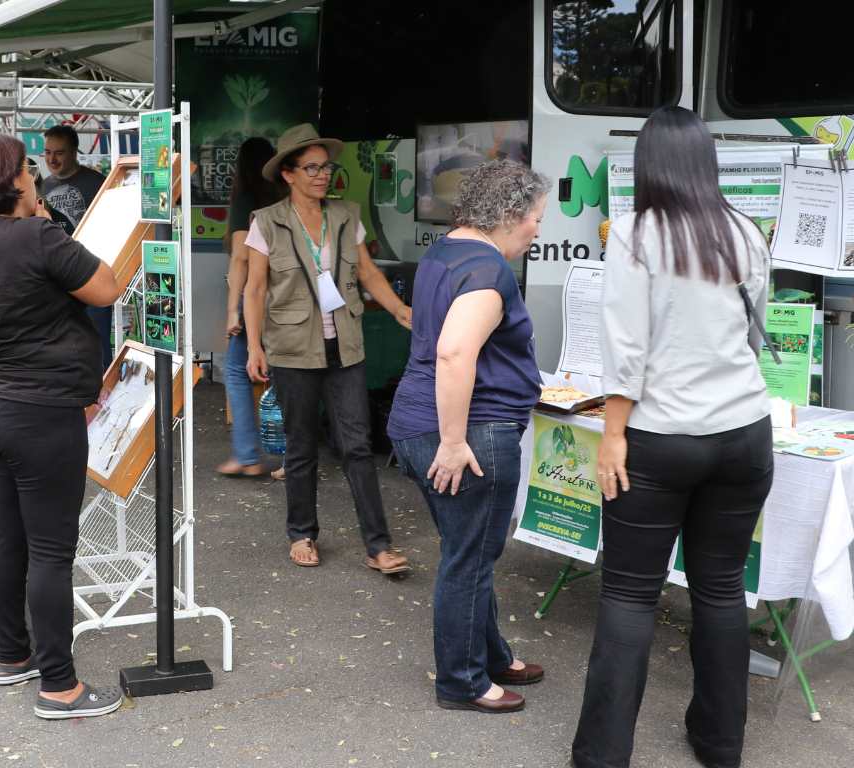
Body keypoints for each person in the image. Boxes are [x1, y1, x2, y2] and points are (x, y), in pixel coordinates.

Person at [572, 107, 773, 768]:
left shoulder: (635, 234)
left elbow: (626, 349)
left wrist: (611, 435)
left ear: (649, 164)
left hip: (661, 438)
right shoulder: (744, 231)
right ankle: (720, 746)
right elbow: (753, 327)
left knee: (630, 596)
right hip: (744, 433)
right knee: (720, 592)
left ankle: (601, 756)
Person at [0, 133, 125, 720]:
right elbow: (107, 287)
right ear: (12, 180)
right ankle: (59, 687)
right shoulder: (40, 235)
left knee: (9, 536)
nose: (35, 175)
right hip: (41, 413)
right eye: (28, 169)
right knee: (51, 550)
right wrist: (42, 222)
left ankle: (12, 655)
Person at [386, 158, 550, 714]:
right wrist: (454, 443)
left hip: (417, 422)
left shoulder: (443, 251)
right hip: (468, 433)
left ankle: (493, 657)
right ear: (508, 213)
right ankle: (463, 682)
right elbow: (456, 352)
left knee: (469, 548)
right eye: (535, 217)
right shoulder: (489, 270)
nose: (537, 229)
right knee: (470, 559)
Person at [243, 123, 412, 574]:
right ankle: (302, 533)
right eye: (312, 168)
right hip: (292, 346)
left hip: (345, 346)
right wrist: (253, 345)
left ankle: (378, 546)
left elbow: (370, 273)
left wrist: (400, 311)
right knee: (300, 447)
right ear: (289, 174)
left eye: (326, 167)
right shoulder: (267, 222)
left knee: (356, 445)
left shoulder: (345, 215)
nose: (322, 175)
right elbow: (255, 288)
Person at [219, 137, 285, 479]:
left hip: (256, 297)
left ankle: (247, 455)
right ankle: (293, 458)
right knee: (288, 372)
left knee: (236, 370)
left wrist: (233, 310)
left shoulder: (246, 198)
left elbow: (242, 258)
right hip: (288, 297)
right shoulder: (283, 197)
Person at [41, 124, 112, 370]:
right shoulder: (44, 186)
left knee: (96, 338)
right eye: (48, 152)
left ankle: (103, 397)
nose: (52, 158)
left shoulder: (98, 183)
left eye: (59, 152)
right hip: (57, 277)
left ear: (74, 151)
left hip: (91, 272)